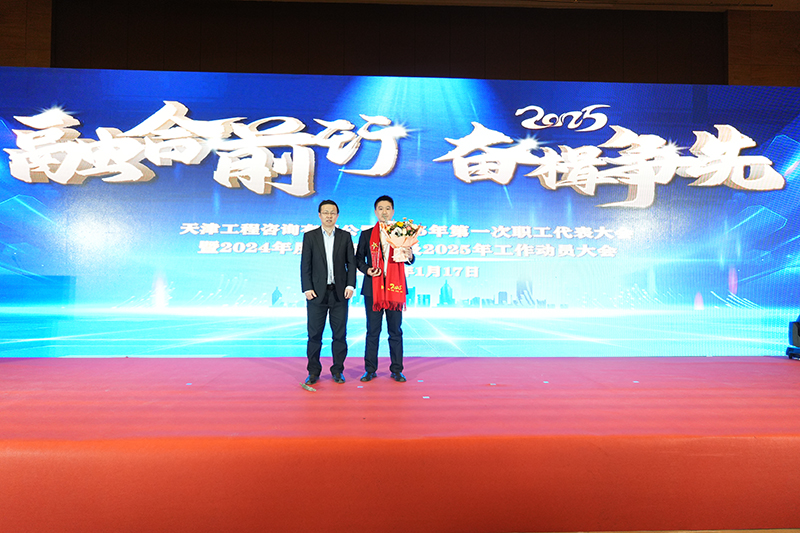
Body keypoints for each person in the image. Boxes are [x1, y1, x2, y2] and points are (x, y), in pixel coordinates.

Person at [355, 195, 415, 383]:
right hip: (373, 289)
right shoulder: (367, 234)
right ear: (375, 212)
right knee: (372, 331)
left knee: (395, 331)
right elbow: (358, 259)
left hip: (395, 288)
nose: (384, 212)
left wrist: (409, 255)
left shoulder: (402, 232)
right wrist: (367, 269)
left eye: (388, 208)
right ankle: (370, 369)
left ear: (393, 211)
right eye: (380, 208)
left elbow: (410, 259)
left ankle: (397, 370)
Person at [300, 200, 356, 385]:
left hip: (340, 293)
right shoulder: (310, 236)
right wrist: (307, 288)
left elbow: (351, 264)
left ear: (337, 216)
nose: (329, 216)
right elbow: (305, 264)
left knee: (339, 335)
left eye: (332, 212)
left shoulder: (345, 236)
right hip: (316, 294)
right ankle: (313, 372)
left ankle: (338, 371)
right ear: (319, 215)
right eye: (325, 212)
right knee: (314, 335)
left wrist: (350, 285)